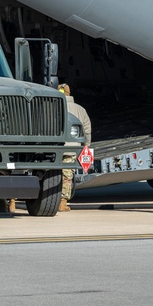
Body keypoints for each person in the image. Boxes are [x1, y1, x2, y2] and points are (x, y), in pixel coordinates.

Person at [58, 83, 92, 212]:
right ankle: (62, 202)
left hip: (52, 147)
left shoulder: (51, 105)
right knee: (67, 174)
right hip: (72, 147)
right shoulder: (80, 109)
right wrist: (86, 146)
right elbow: (87, 130)